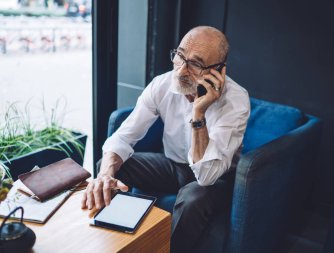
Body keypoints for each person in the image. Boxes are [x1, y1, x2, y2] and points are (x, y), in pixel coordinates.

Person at [81, 26, 250, 253]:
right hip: (173, 166)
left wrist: (198, 112)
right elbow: (124, 135)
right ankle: (117, 240)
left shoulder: (236, 101)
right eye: (180, 56)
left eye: (196, 64)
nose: (181, 70)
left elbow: (207, 175)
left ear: (217, 70)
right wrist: (104, 175)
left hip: (216, 178)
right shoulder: (162, 84)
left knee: (192, 197)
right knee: (109, 166)